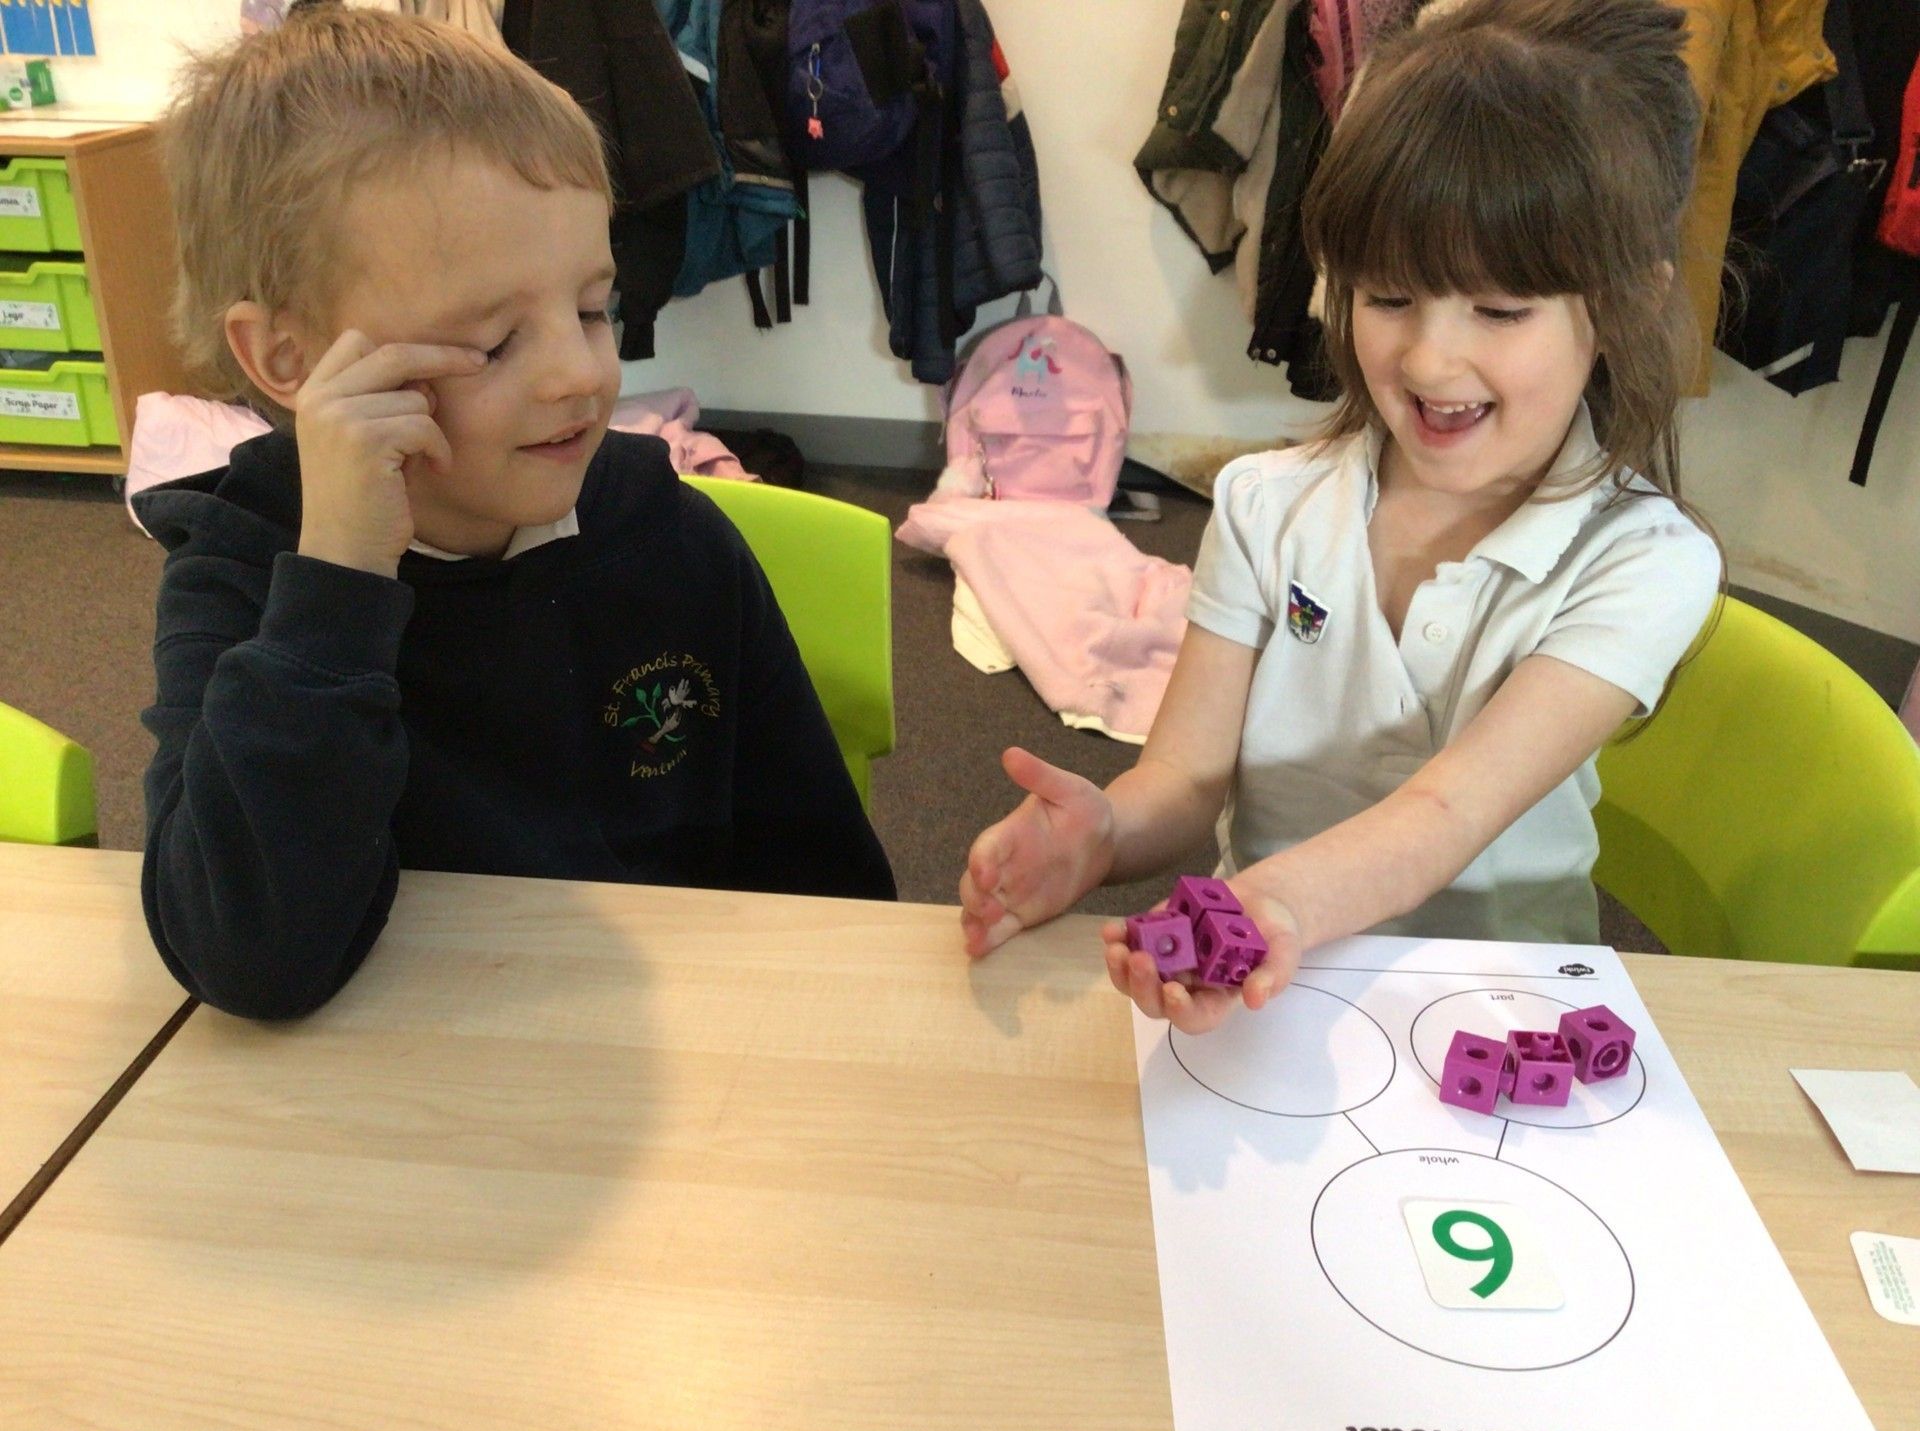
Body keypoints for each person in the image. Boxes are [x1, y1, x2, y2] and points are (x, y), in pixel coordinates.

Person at [959, 0, 1720, 1034]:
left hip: (1502, 998)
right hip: (1281, 987)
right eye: (1389, 297)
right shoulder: (1264, 504)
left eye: (1500, 311)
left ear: (1626, 304)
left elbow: (1447, 812)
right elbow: (1184, 774)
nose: (1430, 359)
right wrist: (1103, 832)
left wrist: (1270, 906)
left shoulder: (1645, 561)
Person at [137, 3, 894, 1020]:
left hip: (681, 1037)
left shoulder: (675, 543)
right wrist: (340, 584)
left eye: (591, 309)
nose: (580, 374)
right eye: (494, 342)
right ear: (290, 358)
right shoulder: (241, 578)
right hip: (408, 1070)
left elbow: (833, 889)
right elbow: (250, 960)